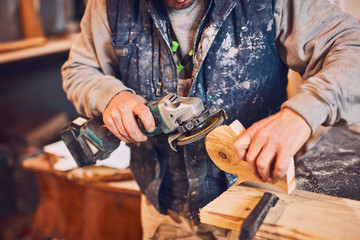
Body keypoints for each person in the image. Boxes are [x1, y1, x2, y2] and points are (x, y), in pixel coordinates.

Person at [62, 0, 360, 238]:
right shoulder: (108, 5)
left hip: (255, 209)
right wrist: (110, 96)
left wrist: (301, 113)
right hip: (163, 210)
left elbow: (352, 51)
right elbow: (78, 69)